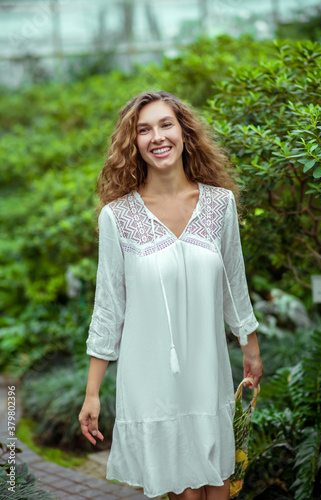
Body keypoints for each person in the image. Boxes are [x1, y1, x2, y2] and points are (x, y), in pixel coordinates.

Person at [78, 90, 263, 500]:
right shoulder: (117, 217)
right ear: (134, 144)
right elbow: (109, 307)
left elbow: (235, 282)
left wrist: (250, 347)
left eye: (165, 125)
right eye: (143, 130)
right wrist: (92, 394)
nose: (156, 137)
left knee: (218, 489)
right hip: (151, 380)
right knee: (183, 494)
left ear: (184, 133)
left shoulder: (220, 205)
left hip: (207, 372)